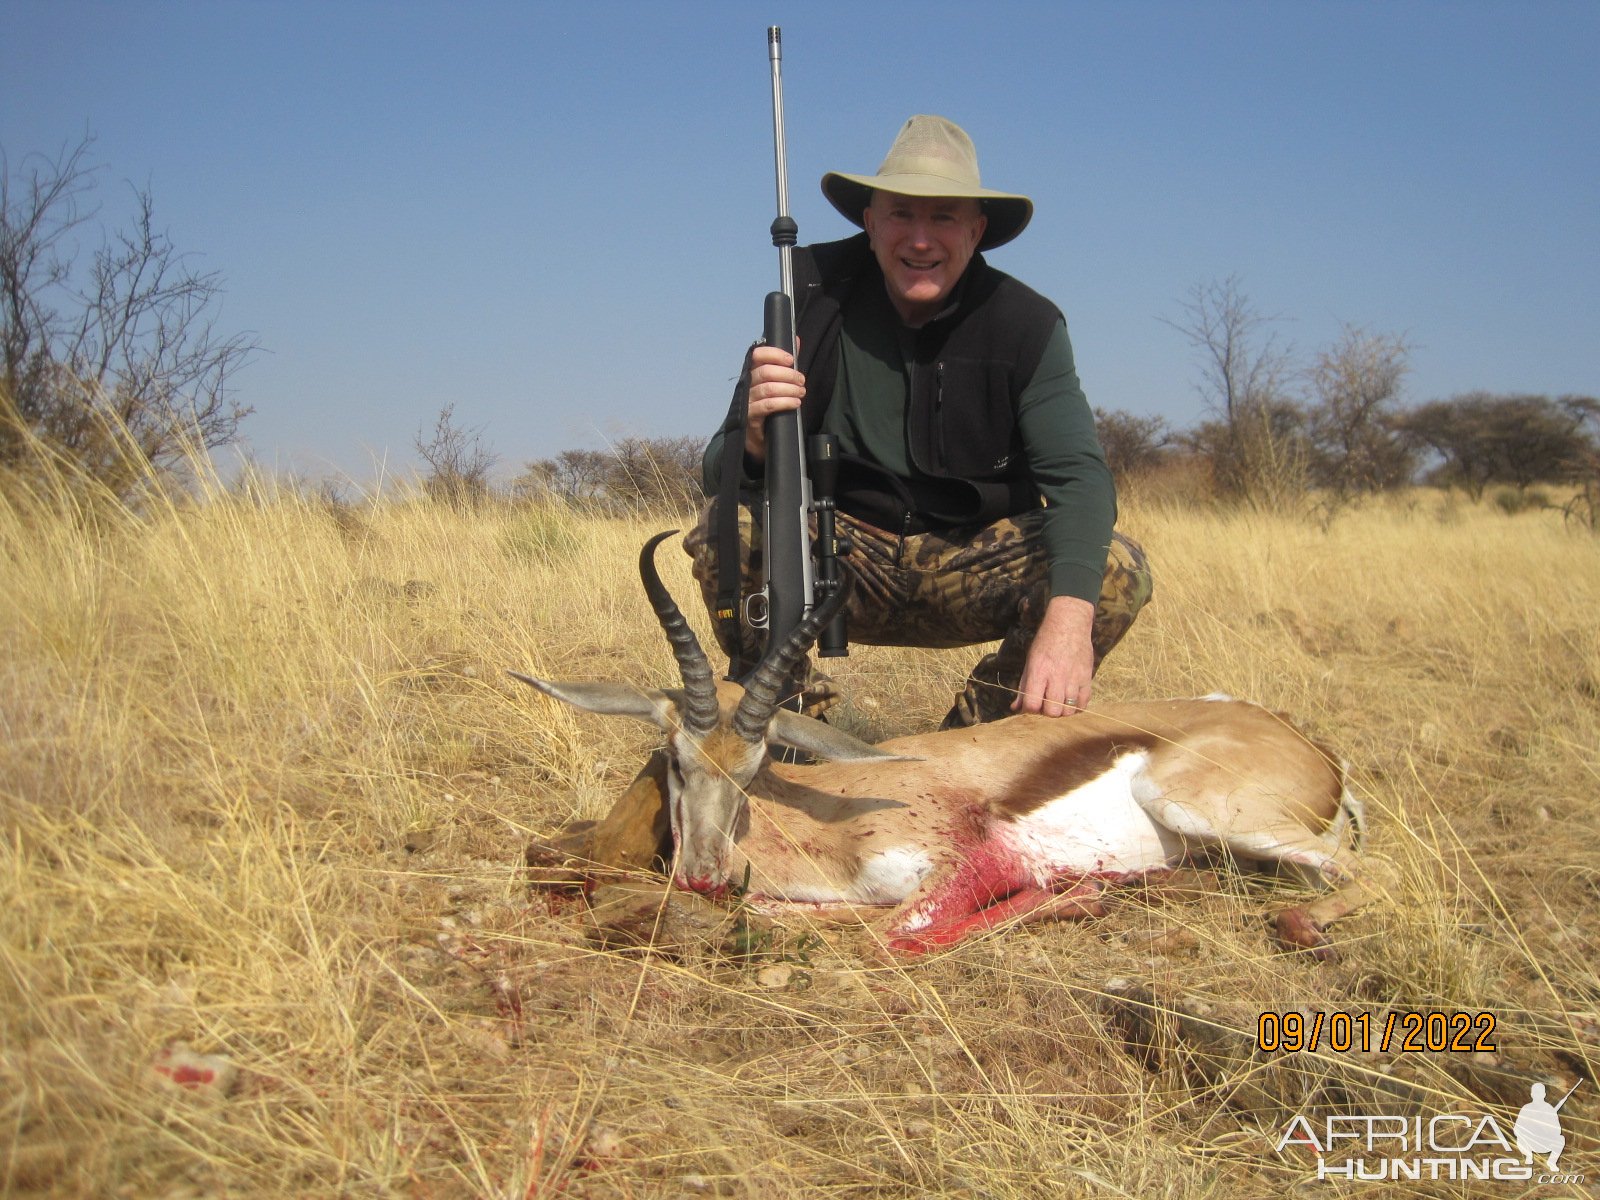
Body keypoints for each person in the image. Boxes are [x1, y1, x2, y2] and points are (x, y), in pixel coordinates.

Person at [528, 115, 1152, 878]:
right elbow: (721, 465)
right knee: (733, 528)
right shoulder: (809, 293)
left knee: (1112, 570)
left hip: (965, 559)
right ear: (869, 218)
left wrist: (1068, 617)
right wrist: (757, 433)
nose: (920, 238)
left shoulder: (1027, 324)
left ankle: (963, 749)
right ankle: (792, 732)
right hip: (840, 560)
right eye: (901, 213)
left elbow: (1081, 480)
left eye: (944, 216)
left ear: (979, 228)